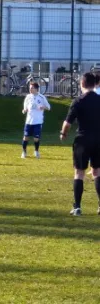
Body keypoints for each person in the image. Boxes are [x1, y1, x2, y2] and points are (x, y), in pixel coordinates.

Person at [60, 72, 100, 216]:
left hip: (82, 139)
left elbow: (67, 122)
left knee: (79, 173)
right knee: (97, 171)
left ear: (82, 84)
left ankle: (77, 207)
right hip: (98, 139)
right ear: (94, 84)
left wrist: (63, 134)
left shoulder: (78, 101)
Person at [21, 82, 51, 159]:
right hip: (29, 121)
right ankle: (24, 152)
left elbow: (48, 107)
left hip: (38, 121)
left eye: (32, 88)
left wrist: (43, 107)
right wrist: (24, 110)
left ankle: (36, 151)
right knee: (26, 137)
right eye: (30, 88)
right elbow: (25, 108)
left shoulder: (41, 97)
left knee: (36, 138)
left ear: (36, 89)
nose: (30, 89)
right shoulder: (28, 97)